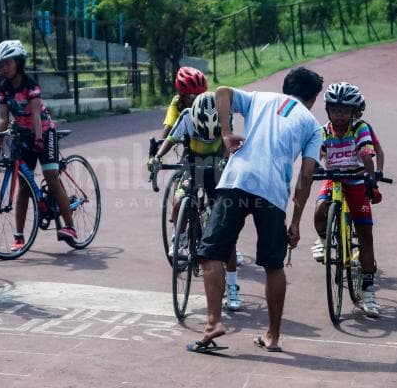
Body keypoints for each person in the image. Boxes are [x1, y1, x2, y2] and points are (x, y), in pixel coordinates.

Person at [189, 66, 324, 354]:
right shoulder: (312, 125)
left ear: (286, 87)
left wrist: (226, 134)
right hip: (273, 194)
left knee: (211, 253)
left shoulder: (260, 98)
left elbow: (221, 92)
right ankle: (273, 335)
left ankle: (213, 322)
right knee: (273, 265)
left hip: (238, 180)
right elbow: (306, 175)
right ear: (312, 98)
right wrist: (296, 222)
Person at [148, 91, 243, 311]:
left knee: (226, 231)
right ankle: (180, 236)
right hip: (192, 164)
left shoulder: (224, 118)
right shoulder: (187, 116)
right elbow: (170, 140)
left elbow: (229, 148)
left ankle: (232, 286)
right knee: (180, 200)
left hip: (217, 165)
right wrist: (157, 158)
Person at [0, 40, 76, 249]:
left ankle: (70, 227)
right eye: (1, 64)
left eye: (8, 63)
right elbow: (3, 119)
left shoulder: (31, 85)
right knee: (23, 187)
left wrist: (39, 139)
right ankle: (19, 236)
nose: (4, 68)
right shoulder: (4, 88)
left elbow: (37, 115)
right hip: (22, 136)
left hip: (44, 132)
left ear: (18, 63)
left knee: (51, 177)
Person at [312, 82, 382, 317]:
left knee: (365, 235)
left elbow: (366, 151)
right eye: (334, 109)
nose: (339, 114)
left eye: (344, 110)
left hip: (356, 181)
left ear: (355, 112)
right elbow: (315, 153)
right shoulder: (323, 130)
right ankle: (324, 240)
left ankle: (369, 290)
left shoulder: (360, 128)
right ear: (328, 110)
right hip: (333, 179)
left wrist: (371, 178)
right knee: (320, 209)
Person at [161, 66, 207, 139]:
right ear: (181, 94)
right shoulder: (177, 102)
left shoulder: (210, 101)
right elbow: (169, 125)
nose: (194, 99)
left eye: (198, 95)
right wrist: (160, 143)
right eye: (190, 96)